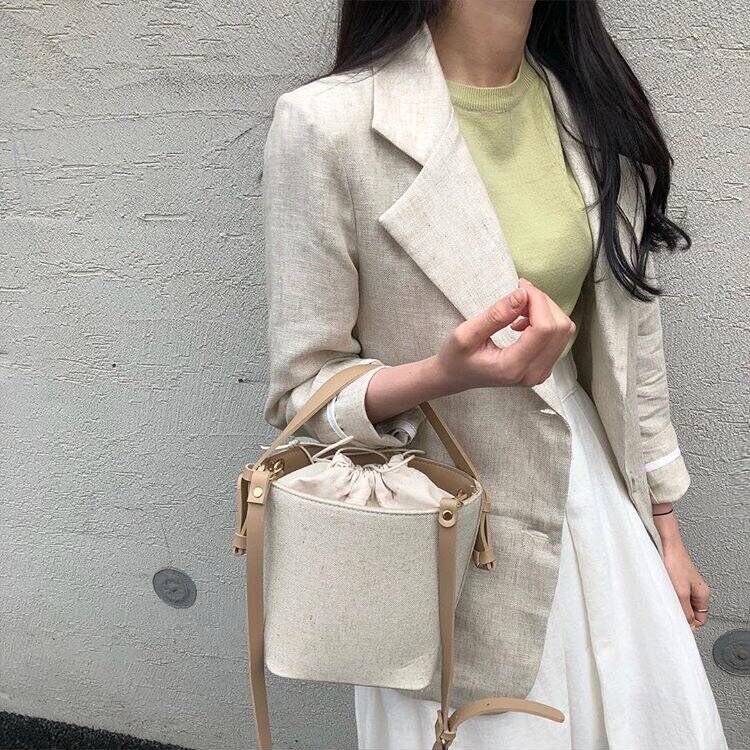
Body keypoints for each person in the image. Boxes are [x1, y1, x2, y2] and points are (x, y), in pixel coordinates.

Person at [260, 1, 730, 748]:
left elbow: (633, 349)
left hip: (590, 499)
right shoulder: (329, 125)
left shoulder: (591, 108)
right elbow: (304, 389)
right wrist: (440, 373)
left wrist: (666, 528)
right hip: (434, 524)